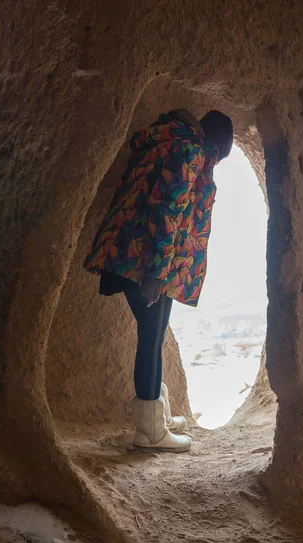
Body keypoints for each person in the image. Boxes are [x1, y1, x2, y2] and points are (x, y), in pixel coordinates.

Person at [84, 108, 233, 453]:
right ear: (214, 145)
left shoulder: (168, 141)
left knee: (154, 332)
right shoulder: (189, 151)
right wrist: (157, 272)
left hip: (131, 251)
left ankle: (157, 414)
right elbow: (168, 212)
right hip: (146, 259)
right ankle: (150, 432)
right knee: (150, 336)